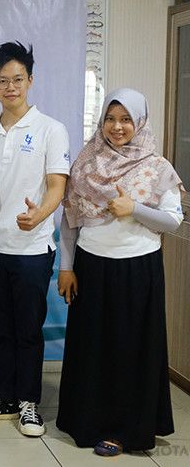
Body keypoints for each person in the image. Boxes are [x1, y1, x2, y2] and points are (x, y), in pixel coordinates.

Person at [56, 88, 182, 457]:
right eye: (110, 119)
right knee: (92, 348)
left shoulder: (157, 166)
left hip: (137, 268)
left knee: (130, 351)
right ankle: (86, 421)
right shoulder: (86, 163)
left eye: (126, 119)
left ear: (139, 122)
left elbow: (173, 220)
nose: (117, 127)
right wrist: (66, 267)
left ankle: (125, 430)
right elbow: (69, 220)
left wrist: (135, 209)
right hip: (91, 266)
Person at [0, 42, 70, 437]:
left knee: (27, 329)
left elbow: (57, 186)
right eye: (2, 81)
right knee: (0, 328)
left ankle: (28, 402)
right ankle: (3, 395)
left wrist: (39, 215)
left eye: (17, 79)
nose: (10, 87)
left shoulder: (50, 129)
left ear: (30, 81)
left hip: (32, 249)